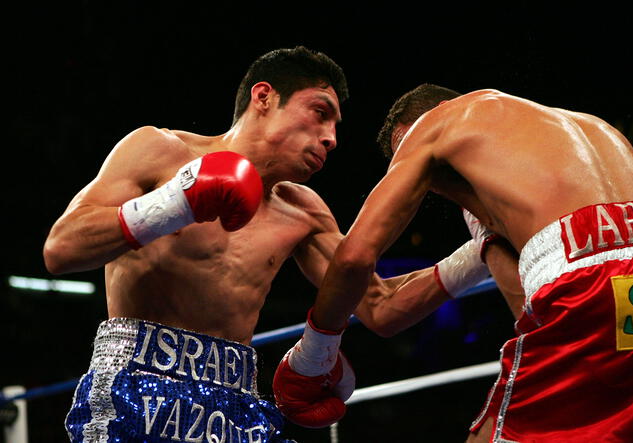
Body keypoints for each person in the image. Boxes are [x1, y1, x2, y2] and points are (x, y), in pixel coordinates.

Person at [43, 47, 492, 442]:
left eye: (335, 127)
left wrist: (481, 252)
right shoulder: (159, 152)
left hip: (236, 405)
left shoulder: (304, 211)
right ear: (263, 98)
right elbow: (60, 249)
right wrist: (174, 202)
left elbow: (379, 304)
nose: (331, 138)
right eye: (320, 112)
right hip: (137, 386)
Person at [273, 84, 633, 442]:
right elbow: (528, 309)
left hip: (583, 287)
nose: (429, 185)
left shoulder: (440, 124)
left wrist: (312, 356)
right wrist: (482, 244)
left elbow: (353, 258)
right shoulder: (592, 129)